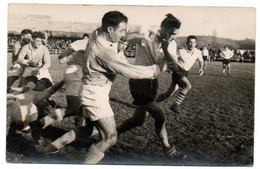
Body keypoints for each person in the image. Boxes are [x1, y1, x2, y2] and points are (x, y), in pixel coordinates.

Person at [117, 13, 182, 158]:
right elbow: (122, 31)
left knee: (138, 120)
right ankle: (167, 147)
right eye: (171, 33)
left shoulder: (171, 43)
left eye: (175, 35)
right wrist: (132, 39)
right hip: (139, 80)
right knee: (160, 116)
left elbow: (174, 66)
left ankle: (113, 133)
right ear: (162, 27)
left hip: (153, 82)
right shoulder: (146, 30)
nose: (172, 37)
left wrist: (165, 49)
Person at [156, 35, 204, 114]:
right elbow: (172, 59)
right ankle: (175, 105)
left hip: (185, 72)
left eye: (194, 42)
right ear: (187, 43)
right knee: (187, 86)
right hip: (178, 70)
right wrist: (169, 67)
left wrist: (201, 68)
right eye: (190, 42)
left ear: (196, 43)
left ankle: (152, 104)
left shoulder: (198, 52)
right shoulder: (181, 51)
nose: (192, 44)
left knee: (169, 93)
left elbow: (201, 60)